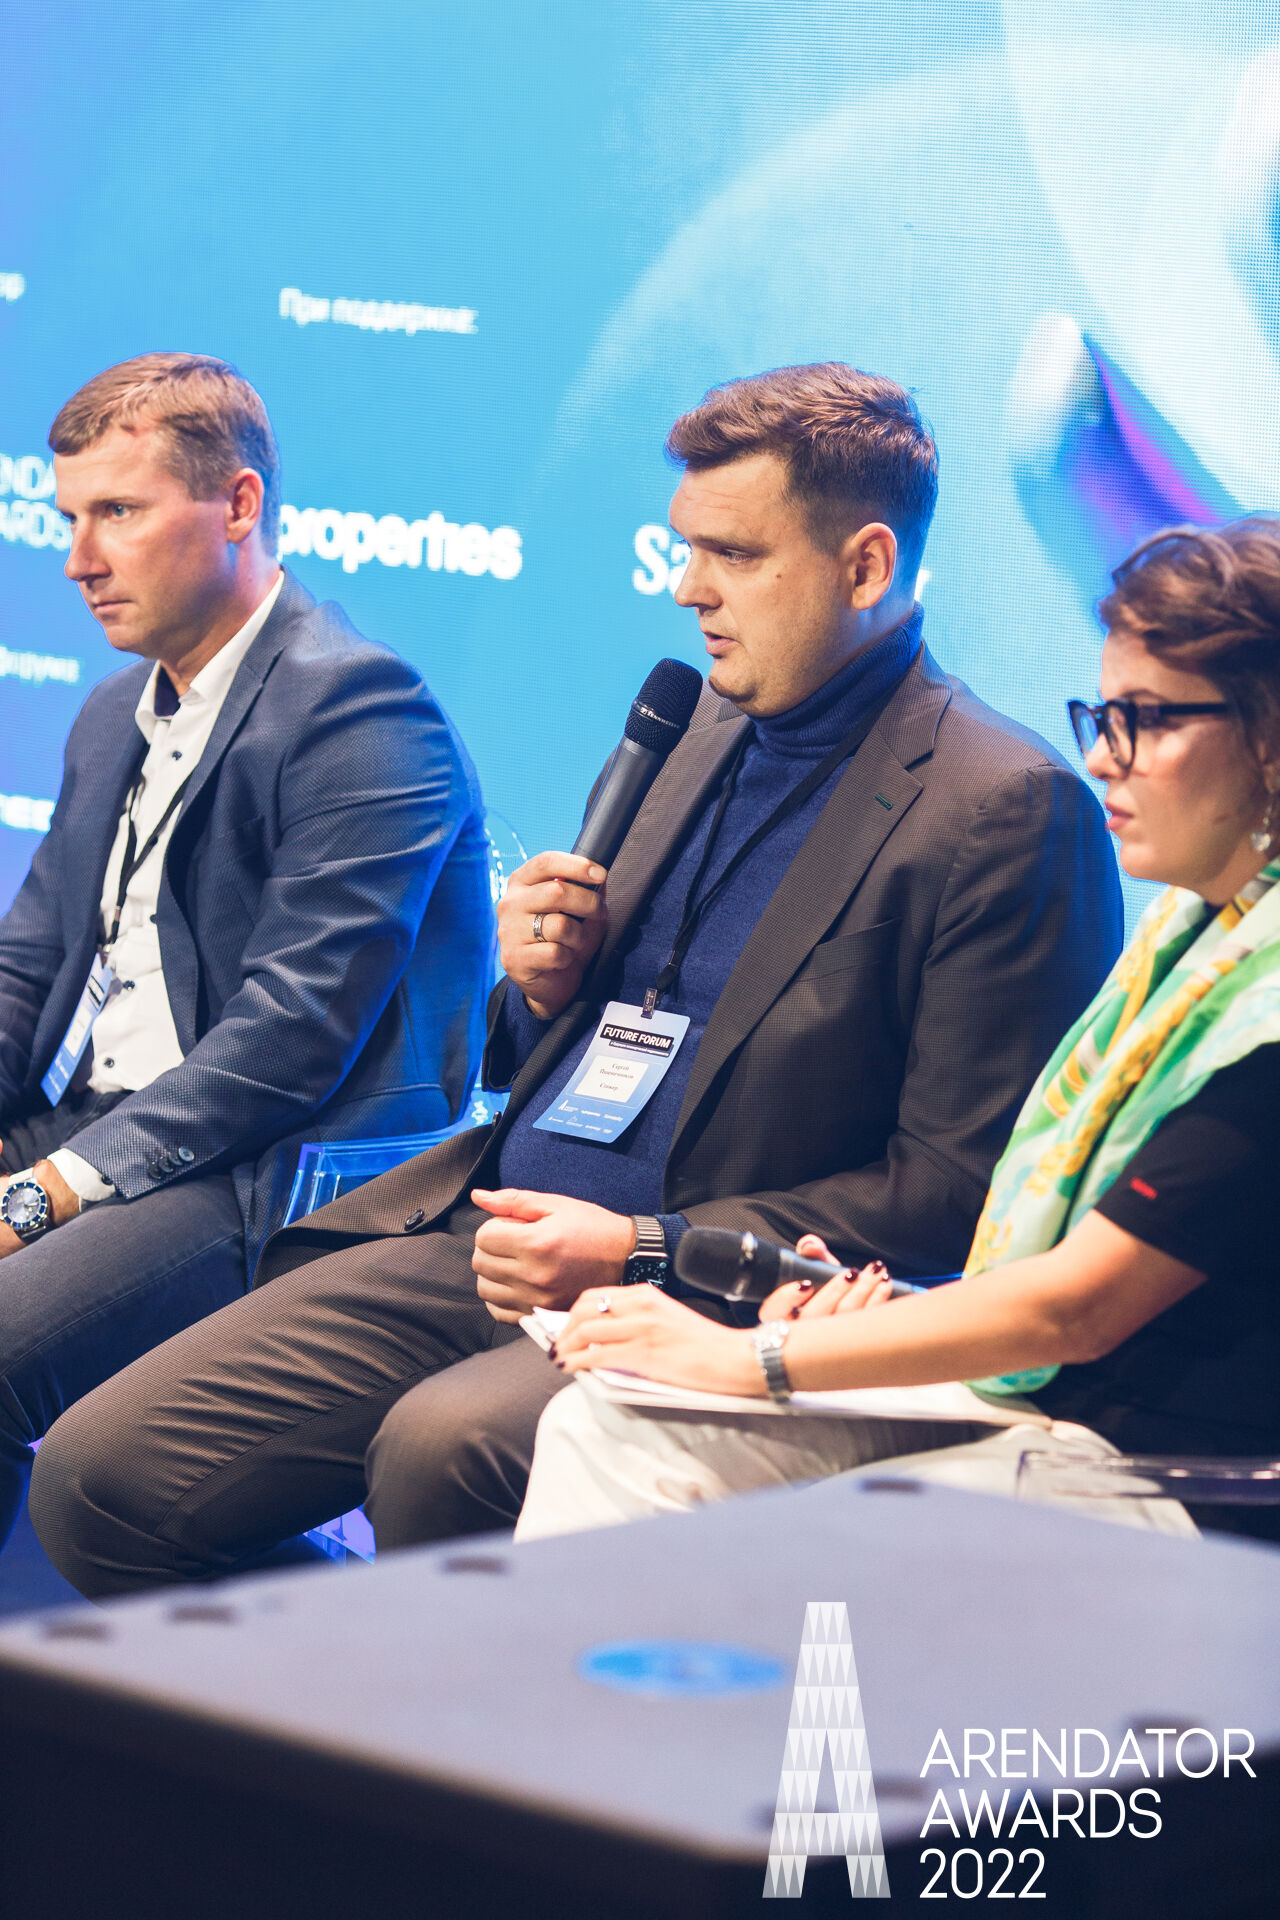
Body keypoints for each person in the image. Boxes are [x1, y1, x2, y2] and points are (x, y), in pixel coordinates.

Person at [30, 361, 1121, 1596]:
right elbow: (530, 1052)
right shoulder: (688, 724)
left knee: (440, 1452)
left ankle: (417, 1701)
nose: (687, 588)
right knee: (100, 1480)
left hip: (705, 1293)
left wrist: (646, 1247)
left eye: (732, 555)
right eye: (684, 547)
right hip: (489, 1233)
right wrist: (538, 990)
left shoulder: (999, 808)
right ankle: (340, 1685)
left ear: (864, 566)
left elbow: (959, 1195)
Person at [514, 516, 1280, 1549]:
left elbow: (1076, 1309)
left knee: (673, 1463)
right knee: (607, 1425)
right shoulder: (1196, 941)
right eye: (1102, 715)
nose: (1104, 756)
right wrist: (865, 1309)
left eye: (1144, 720)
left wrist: (746, 1358)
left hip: (1162, 1477)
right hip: (1037, 1408)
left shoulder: (1262, 1009)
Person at [0, 352, 493, 1548]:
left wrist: (37, 1194)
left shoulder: (359, 709)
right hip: (111, 1127)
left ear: (236, 505)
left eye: (117, 513)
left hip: (271, 1170)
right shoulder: (112, 712)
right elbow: (29, 965)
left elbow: (289, 1042)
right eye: (70, 519)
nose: (77, 560)